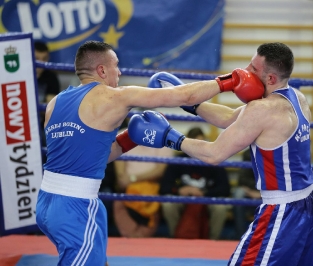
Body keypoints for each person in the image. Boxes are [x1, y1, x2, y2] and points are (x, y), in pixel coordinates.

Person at [35, 40, 265, 265]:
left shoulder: (56, 102)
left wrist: (129, 139)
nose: (120, 72)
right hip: (76, 205)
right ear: (102, 70)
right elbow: (184, 96)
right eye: (116, 65)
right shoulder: (114, 96)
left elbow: (96, 156)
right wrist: (230, 80)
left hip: (47, 202)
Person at [130, 42, 313, 265]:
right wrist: (190, 105)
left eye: (254, 69)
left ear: (270, 79)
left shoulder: (261, 110)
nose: (245, 72)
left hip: (283, 211)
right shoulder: (297, 97)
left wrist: (170, 137)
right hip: (308, 202)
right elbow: (230, 117)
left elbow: (214, 154)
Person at [159, 127, 231, 240]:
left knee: (220, 208)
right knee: (168, 204)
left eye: (201, 144)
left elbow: (225, 188)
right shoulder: (178, 161)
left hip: (207, 198)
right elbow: (165, 186)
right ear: (187, 144)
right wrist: (180, 190)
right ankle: (176, 238)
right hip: (183, 199)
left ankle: (212, 241)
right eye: (194, 143)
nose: (198, 148)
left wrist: (204, 193)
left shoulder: (214, 161)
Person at [112, 134, 173, 238]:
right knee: (118, 203)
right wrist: (129, 181)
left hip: (151, 189)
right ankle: (132, 238)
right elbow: (121, 177)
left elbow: (160, 171)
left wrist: (134, 178)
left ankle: (140, 239)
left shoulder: (163, 138)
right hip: (128, 190)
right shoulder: (123, 136)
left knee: (152, 203)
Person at [34, 41, 61, 163]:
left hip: (39, 124)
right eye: (36, 59)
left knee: (54, 139)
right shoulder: (18, 76)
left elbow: (50, 110)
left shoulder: (50, 77)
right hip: (18, 120)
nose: (41, 63)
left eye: (44, 59)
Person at [231, 148, 260, 239]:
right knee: (238, 193)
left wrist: (261, 193)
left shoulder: (276, 152)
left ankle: (265, 237)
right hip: (251, 192)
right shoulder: (249, 153)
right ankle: (240, 236)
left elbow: (276, 180)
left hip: (269, 193)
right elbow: (242, 180)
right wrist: (251, 191)